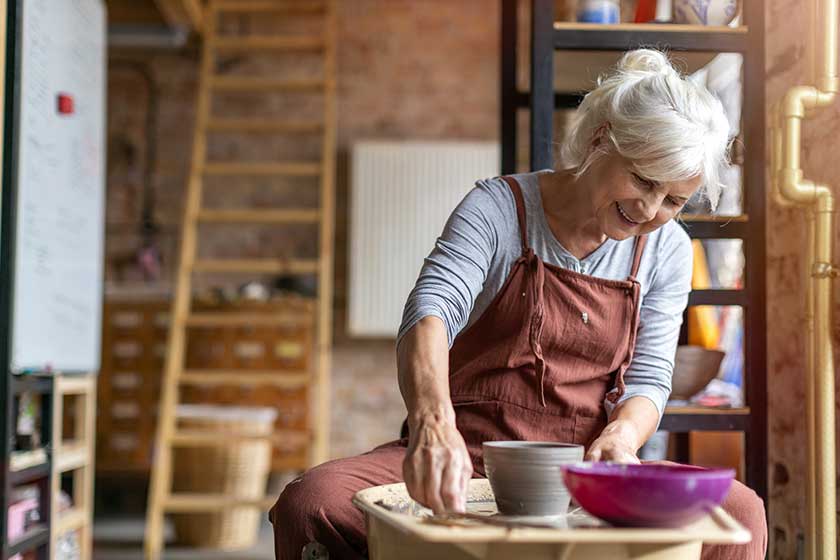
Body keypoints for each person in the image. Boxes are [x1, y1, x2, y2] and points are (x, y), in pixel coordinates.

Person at [270, 48, 767, 560]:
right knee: (312, 503)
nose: (649, 209)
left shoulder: (667, 249)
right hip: (465, 457)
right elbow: (430, 310)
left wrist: (622, 437)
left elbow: (649, 379)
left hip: (584, 475)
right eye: (642, 179)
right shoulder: (497, 208)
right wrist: (433, 426)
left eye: (673, 200)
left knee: (740, 515)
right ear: (601, 140)